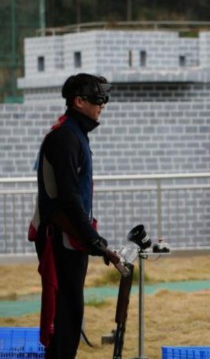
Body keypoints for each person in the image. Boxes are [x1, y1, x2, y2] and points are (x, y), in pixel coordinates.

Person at [28, 73, 112, 359]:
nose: (103, 104)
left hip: (69, 235)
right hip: (60, 237)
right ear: (79, 102)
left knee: (70, 314)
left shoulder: (74, 133)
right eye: (98, 99)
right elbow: (68, 198)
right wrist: (93, 239)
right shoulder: (65, 137)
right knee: (65, 318)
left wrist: (91, 239)